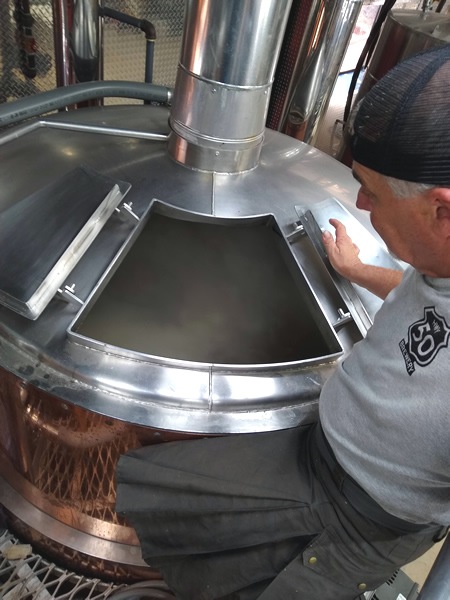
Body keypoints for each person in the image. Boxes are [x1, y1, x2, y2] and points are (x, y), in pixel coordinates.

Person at [115, 44, 450, 600]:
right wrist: (360, 270)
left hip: (363, 523)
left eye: (373, 190)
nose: (360, 204)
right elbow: (428, 310)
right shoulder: (436, 265)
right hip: (315, 455)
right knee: (163, 497)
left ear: (443, 212)